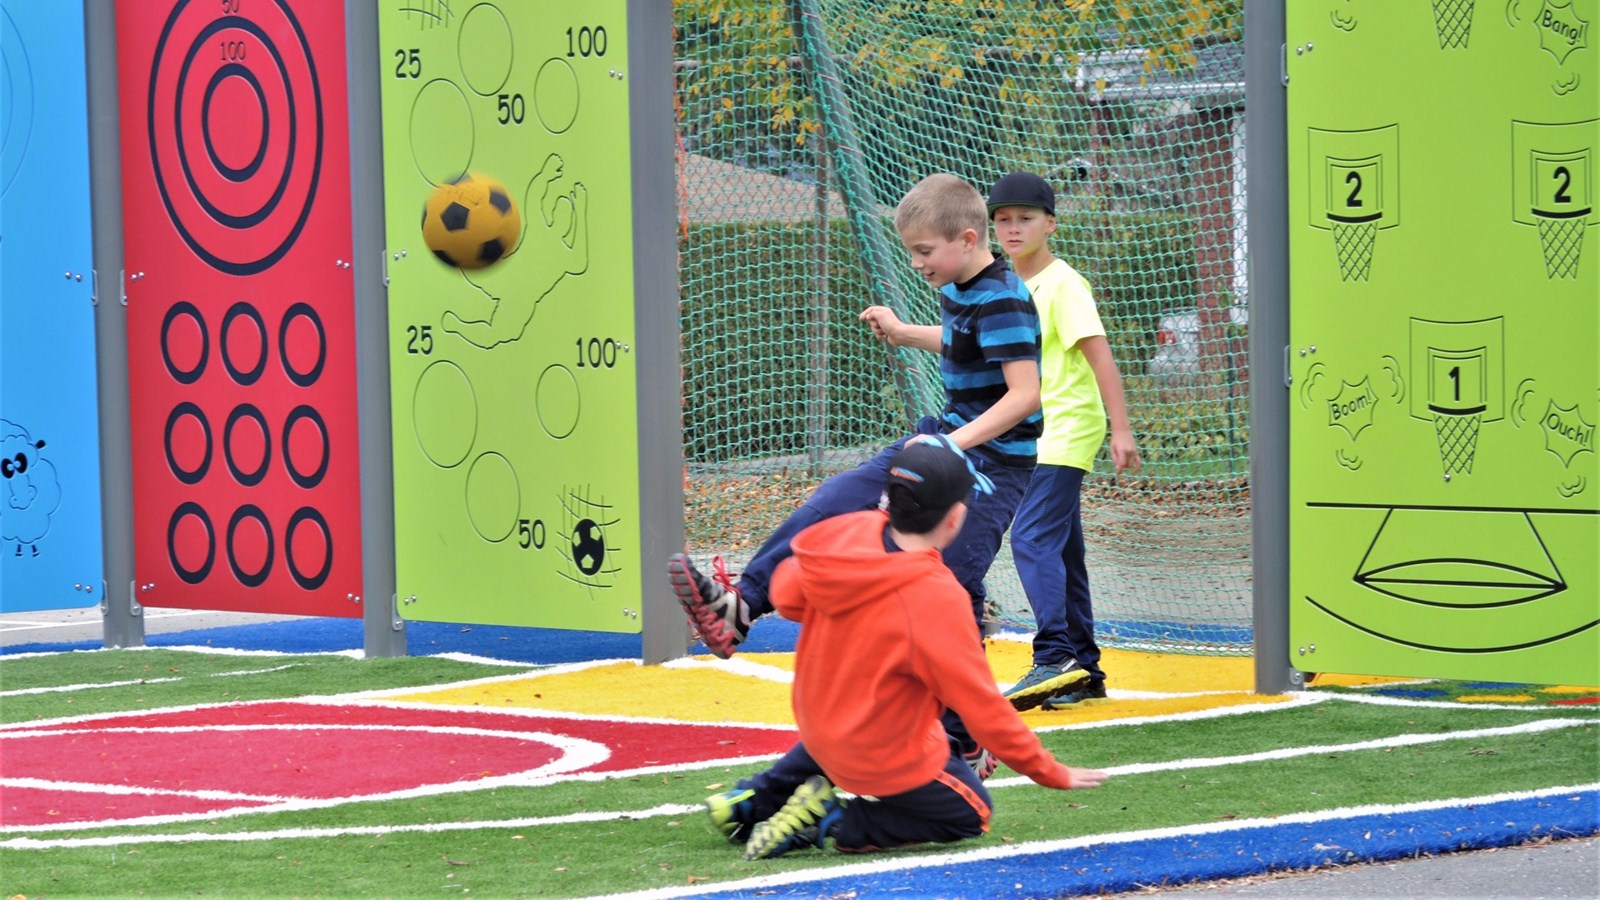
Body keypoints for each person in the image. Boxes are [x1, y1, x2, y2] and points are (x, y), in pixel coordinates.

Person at [670, 172, 1087, 766]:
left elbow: (1025, 394)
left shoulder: (1005, 297)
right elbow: (963, 342)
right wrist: (903, 332)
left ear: (967, 239)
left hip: (995, 460)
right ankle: (741, 606)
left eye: (924, 252)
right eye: (911, 252)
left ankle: (965, 731)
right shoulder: (963, 285)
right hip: (944, 438)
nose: (917, 263)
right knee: (838, 497)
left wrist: (954, 447)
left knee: (949, 576)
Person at [703, 439, 1109, 860]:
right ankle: (830, 819)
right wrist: (1049, 771)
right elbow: (981, 708)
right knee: (971, 812)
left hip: (819, 729)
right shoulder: (936, 597)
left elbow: (786, 595)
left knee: (849, 729)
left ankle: (751, 799)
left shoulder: (845, 534)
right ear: (955, 519)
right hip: (878, 755)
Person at [986, 172, 1141, 712]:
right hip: (1032, 434)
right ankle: (1084, 668)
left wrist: (1121, 429)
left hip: (1066, 428)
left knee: (1029, 539)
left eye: (1025, 218)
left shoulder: (1063, 283)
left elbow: (1101, 356)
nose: (1012, 228)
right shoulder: (1005, 285)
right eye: (1002, 219)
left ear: (1050, 223)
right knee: (1061, 551)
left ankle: (1054, 657)